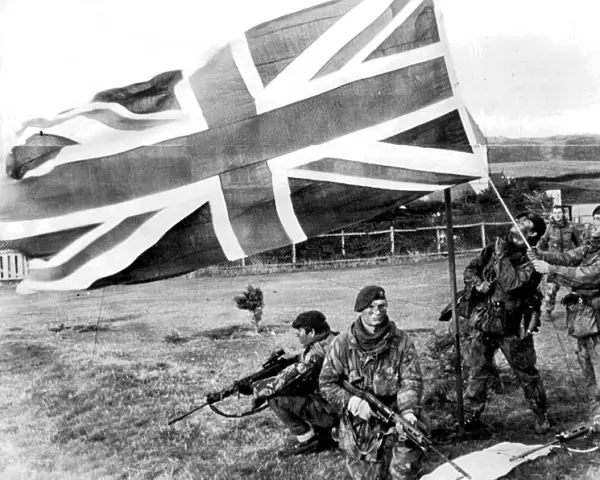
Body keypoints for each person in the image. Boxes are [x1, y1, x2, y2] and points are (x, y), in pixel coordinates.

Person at [319, 285, 425, 480]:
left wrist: (408, 412)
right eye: (371, 307)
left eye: (382, 306)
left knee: (403, 471)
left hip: (395, 413)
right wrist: (353, 403)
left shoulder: (401, 342)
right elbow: (327, 383)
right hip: (361, 421)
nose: (377, 312)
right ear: (360, 310)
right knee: (368, 477)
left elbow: (411, 380)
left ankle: (400, 451)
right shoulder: (341, 344)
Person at [462, 211, 551, 434]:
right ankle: (472, 416)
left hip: (513, 324)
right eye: (516, 220)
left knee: (525, 372)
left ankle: (540, 413)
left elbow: (512, 283)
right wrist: (478, 282)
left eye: (522, 223)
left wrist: (501, 257)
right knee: (477, 369)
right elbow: (470, 269)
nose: (515, 225)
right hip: (486, 320)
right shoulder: (494, 248)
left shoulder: (533, 259)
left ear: (532, 233)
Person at [529, 205, 600, 432]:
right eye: (595, 220)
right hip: (585, 319)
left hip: (598, 317)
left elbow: (587, 277)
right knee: (587, 366)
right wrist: (541, 255)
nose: (596, 226)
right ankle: (597, 414)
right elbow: (568, 257)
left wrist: (550, 268)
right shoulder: (590, 246)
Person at [242, 310, 339, 457]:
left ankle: (309, 440)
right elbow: (301, 357)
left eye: (299, 331)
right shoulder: (333, 341)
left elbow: (280, 384)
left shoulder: (315, 357)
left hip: (335, 412)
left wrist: (252, 388)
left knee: (276, 398)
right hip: (343, 405)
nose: (297, 335)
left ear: (311, 332)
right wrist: (286, 360)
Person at [536, 205, 581, 322]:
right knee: (551, 288)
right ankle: (548, 310)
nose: (557, 215)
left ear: (563, 213)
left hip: (568, 263)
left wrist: (581, 257)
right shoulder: (549, 228)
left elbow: (580, 244)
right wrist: (537, 252)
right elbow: (542, 242)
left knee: (575, 288)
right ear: (552, 214)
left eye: (559, 212)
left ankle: (575, 310)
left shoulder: (571, 227)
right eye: (555, 212)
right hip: (553, 264)